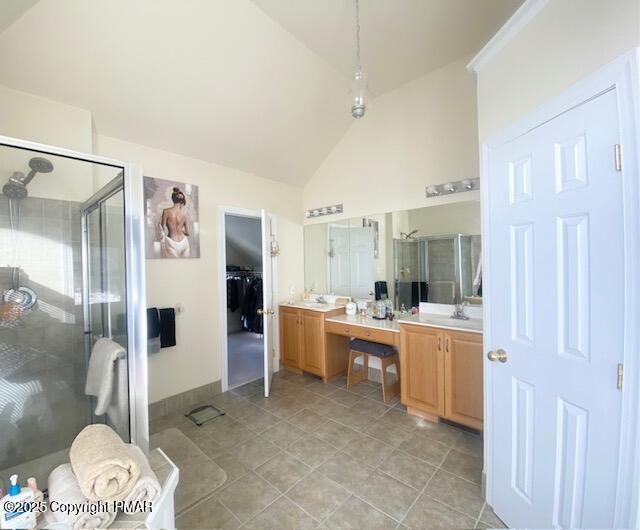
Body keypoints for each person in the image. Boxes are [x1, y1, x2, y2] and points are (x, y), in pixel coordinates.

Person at [159, 187, 191, 258]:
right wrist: (182, 230)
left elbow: (163, 228)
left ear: (173, 200)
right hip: (184, 242)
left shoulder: (166, 211)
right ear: (182, 202)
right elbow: (188, 233)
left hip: (171, 242)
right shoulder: (185, 214)